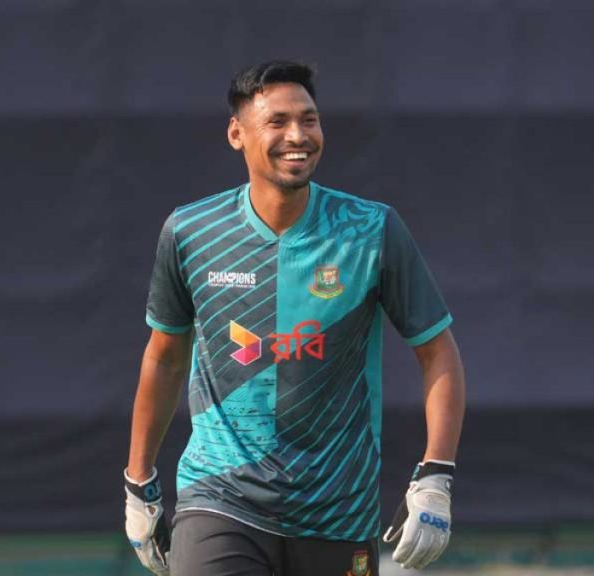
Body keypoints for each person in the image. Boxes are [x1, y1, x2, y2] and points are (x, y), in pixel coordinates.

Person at [123, 60, 466, 576]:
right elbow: (164, 358)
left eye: (309, 120)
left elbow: (437, 352)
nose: (298, 136)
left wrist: (435, 475)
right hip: (219, 497)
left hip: (338, 511)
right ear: (237, 134)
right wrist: (138, 482)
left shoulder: (371, 229)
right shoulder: (190, 231)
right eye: (277, 121)